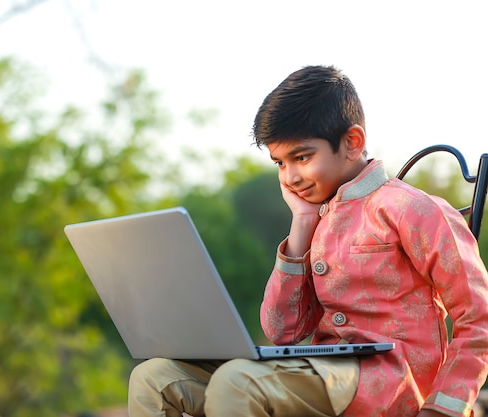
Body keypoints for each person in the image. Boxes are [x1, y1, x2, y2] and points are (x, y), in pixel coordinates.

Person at [127, 65, 488, 417]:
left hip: (392, 381)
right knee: (155, 378)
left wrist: (443, 409)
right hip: (324, 373)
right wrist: (301, 224)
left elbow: (479, 318)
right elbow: (282, 332)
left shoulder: (412, 209)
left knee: (237, 383)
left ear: (352, 142)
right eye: (280, 163)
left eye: (301, 157)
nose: (291, 177)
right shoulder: (315, 218)